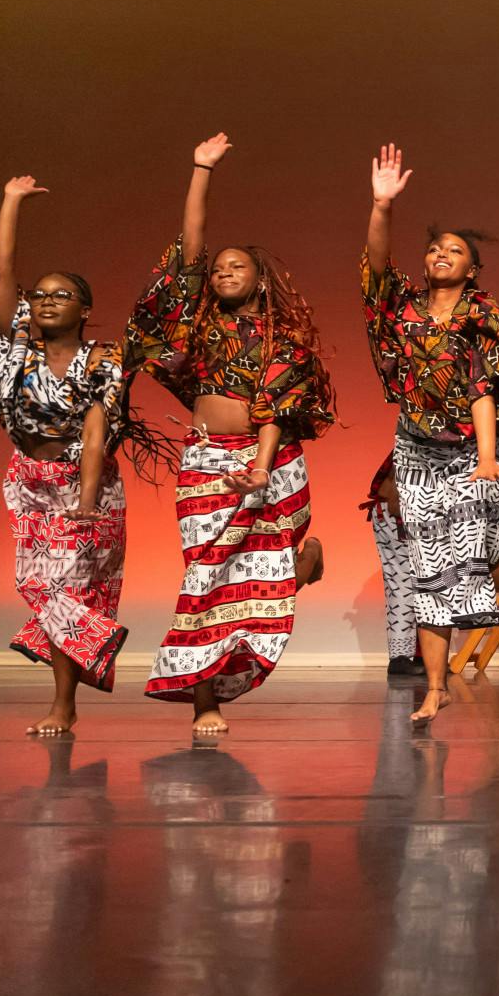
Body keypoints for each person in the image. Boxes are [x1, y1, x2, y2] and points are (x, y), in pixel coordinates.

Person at [127, 134, 335, 734]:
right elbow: (189, 252)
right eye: (218, 268)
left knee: (259, 575)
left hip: (271, 462)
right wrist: (200, 170)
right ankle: (205, 700)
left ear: (261, 279)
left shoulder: (283, 343)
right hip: (207, 460)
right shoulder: (196, 327)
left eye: (235, 266)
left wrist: (264, 469)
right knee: (206, 570)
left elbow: (273, 410)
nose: (221, 272)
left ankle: (294, 570)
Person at [0, 175, 163, 734]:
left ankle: (64, 705)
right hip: (27, 479)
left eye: (61, 294)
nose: (46, 301)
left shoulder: (103, 360)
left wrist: (85, 502)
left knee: (72, 587)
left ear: (85, 308)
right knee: (37, 586)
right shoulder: (11, 348)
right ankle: (95, 641)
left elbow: (96, 426)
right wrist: (10, 201)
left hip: (87, 480)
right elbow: (4, 273)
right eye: (41, 294)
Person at [360, 144, 499, 725]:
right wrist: (382, 206)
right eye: (434, 247)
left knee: (480, 558)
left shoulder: (486, 315)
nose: (440, 254)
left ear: (472, 268)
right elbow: (376, 268)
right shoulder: (402, 309)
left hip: (484, 449)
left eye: (454, 250)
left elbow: (485, 389)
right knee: (430, 565)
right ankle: (436, 687)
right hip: (418, 448)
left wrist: (485, 458)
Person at [359, 450, 422, 679]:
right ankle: (401, 657)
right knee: (403, 580)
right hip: (398, 511)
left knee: (425, 582)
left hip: (406, 510)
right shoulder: (429, 434)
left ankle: (419, 654)